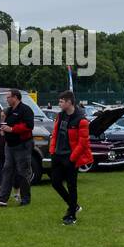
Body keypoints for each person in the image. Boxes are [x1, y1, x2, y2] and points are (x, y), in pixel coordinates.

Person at [48, 90, 92, 225]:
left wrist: (72, 158)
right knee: (55, 183)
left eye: (61, 101)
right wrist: (52, 151)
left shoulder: (81, 119)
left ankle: (71, 215)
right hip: (58, 155)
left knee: (72, 186)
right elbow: (54, 134)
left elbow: (83, 142)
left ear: (69, 102)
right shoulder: (60, 116)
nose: (59, 104)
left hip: (71, 158)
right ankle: (74, 206)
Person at [0, 89, 34, 207]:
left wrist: (12, 129)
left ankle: (25, 199)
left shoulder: (25, 110)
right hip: (9, 145)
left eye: (8, 97)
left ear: (15, 98)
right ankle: (2, 198)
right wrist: (4, 131)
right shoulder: (8, 111)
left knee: (23, 172)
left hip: (22, 145)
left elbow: (29, 126)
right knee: (7, 170)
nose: (6, 99)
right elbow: (5, 125)